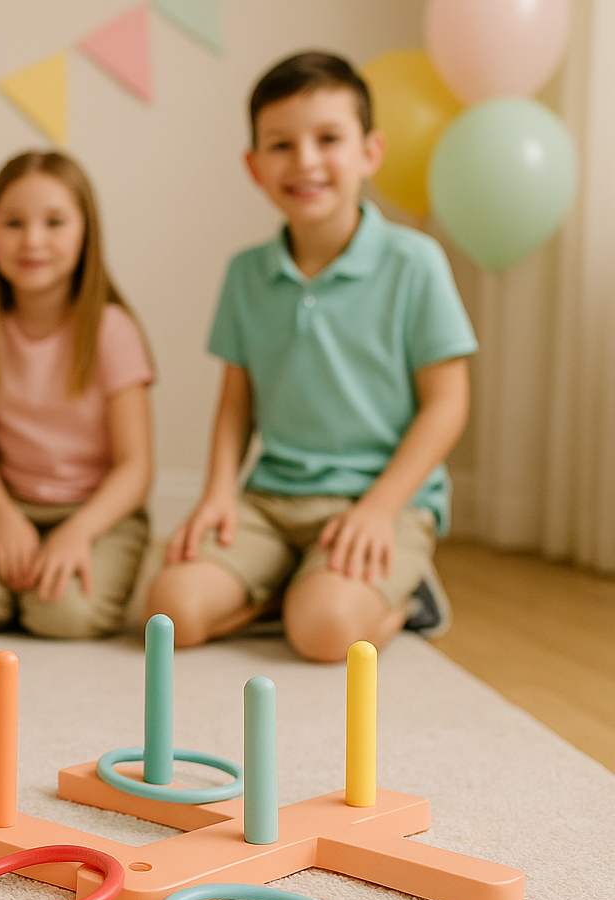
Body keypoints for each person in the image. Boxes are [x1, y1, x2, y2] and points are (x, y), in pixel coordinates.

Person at [145, 52, 477, 663]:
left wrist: (380, 509)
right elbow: (236, 402)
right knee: (169, 614)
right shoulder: (246, 274)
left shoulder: (415, 263)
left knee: (324, 634)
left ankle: (401, 599)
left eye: (328, 139)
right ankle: (285, 590)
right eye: (281, 145)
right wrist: (218, 492)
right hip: (271, 498)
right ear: (254, 166)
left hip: (378, 498)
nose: (305, 162)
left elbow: (447, 405)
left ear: (370, 153)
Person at [0, 151, 154, 638]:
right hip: (12, 505)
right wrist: (3, 519)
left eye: (54, 222)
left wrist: (78, 533)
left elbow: (136, 467)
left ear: (85, 231)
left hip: (99, 513)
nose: (32, 240)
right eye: (13, 223)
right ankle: (15, 577)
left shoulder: (111, 330)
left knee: (64, 616)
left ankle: (34, 581)